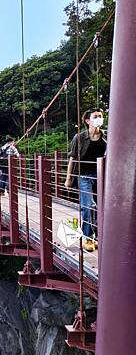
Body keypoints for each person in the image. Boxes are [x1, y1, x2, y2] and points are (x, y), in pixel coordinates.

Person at [64, 108, 106, 252]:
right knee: (89, 206)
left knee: (102, 207)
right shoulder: (80, 137)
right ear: (88, 121)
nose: (99, 118)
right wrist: (68, 178)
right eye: (96, 116)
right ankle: (88, 237)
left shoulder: (107, 137)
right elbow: (72, 158)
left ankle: (99, 237)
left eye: (100, 116)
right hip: (84, 177)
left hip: (102, 177)